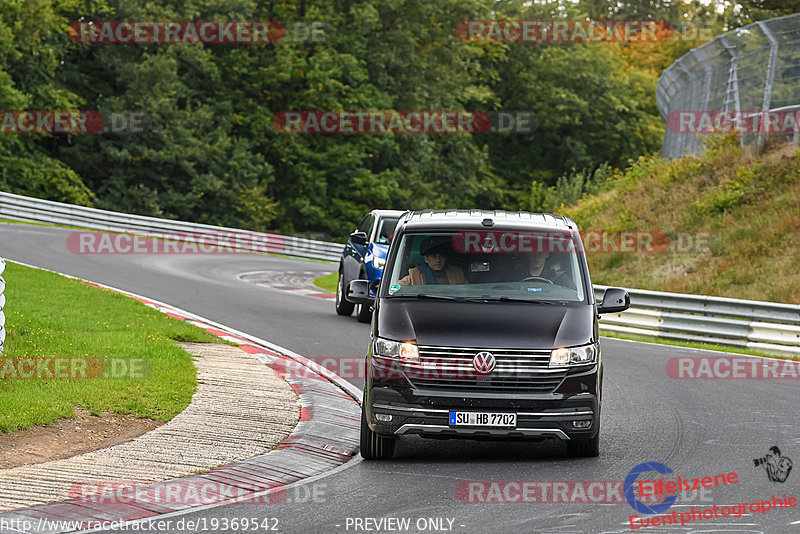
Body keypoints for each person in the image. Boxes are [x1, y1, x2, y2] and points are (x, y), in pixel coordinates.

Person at [397, 237, 466, 285]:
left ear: (446, 258)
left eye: (441, 256)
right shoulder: (415, 275)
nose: (438, 260)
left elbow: (467, 291)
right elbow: (396, 289)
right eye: (433, 256)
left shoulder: (457, 273)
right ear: (426, 259)